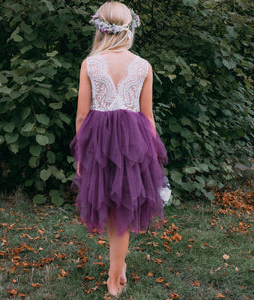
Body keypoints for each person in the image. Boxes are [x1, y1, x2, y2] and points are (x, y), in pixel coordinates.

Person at [70, 1, 167, 297]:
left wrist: (82, 153)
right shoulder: (142, 65)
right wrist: (151, 153)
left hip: (100, 142)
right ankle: (118, 268)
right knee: (120, 206)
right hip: (134, 141)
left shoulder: (91, 63)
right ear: (130, 27)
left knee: (115, 208)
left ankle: (114, 276)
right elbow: (147, 115)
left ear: (100, 29)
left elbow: (82, 116)